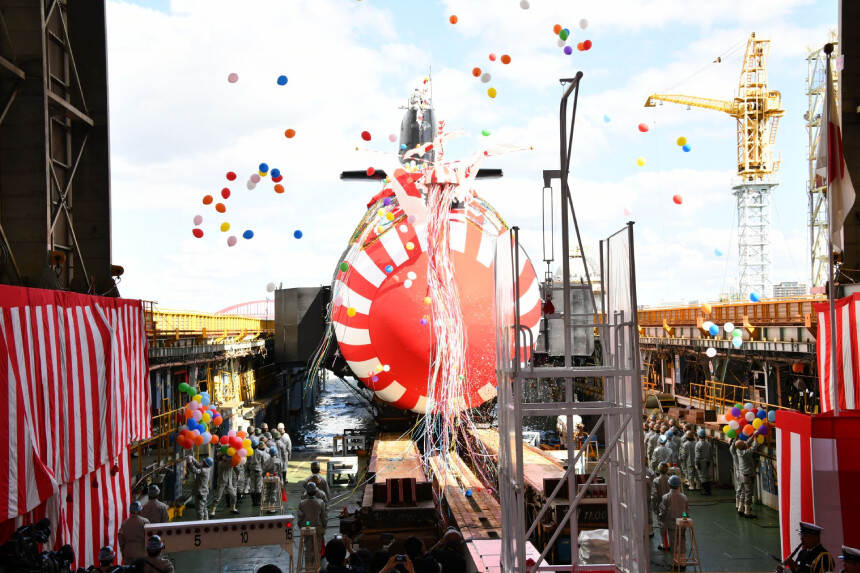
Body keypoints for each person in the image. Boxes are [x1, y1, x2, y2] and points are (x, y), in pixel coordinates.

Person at [658, 475, 689, 555]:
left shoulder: (665, 497)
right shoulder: (684, 497)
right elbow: (685, 511)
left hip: (671, 524)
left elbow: (663, 511)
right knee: (682, 540)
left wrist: (661, 519)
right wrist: (684, 517)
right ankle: (682, 558)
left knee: (673, 542)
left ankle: (675, 559)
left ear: (669, 485)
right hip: (682, 523)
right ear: (679, 485)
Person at [298, 482, 327, 560]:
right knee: (317, 548)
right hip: (318, 528)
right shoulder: (321, 502)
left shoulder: (302, 503)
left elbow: (300, 518)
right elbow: (323, 517)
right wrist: (324, 527)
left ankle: (308, 563)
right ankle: (317, 563)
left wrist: (301, 527)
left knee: (308, 547)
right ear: (315, 491)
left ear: (307, 492)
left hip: (306, 528)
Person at [735, 439, 760, 518]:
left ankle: (740, 508)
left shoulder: (738, 450)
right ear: (743, 446)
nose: (745, 443)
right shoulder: (746, 453)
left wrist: (753, 436)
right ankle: (747, 511)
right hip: (748, 475)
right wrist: (755, 439)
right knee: (748, 493)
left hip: (741, 474)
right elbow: (754, 447)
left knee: (743, 491)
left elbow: (746, 443)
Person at [185, 456, 213, 520]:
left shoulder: (204, 470)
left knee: (199, 509)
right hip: (204, 492)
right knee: (204, 507)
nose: (202, 462)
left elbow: (194, 470)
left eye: (204, 462)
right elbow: (198, 464)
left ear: (206, 464)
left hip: (200, 493)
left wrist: (189, 463)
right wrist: (192, 458)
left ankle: (200, 522)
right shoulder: (207, 468)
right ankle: (206, 521)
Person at [651, 463, 671, 548]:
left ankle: (665, 544)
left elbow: (654, 495)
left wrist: (654, 507)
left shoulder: (656, 481)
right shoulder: (670, 479)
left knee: (662, 525)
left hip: (660, 506)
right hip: (670, 505)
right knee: (670, 525)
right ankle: (671, 543)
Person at [694, 429, 713, 495]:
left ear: (698, 436)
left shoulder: (698, 444)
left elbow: (697, 455)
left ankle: (706, 491)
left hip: (701, 462)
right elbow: (711, 453)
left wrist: (696, 463)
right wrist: (709, 461)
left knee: (702, 477)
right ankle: (708, 490)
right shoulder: (708, 443)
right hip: (708, 461)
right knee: (707, 476)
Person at [249, 442, 267, 506]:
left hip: (252, 470)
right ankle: (258, 501)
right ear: (257, 446)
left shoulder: (249, 453)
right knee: (258, 486)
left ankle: (254, 502)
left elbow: (247, 462)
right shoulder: (261, 453)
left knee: (252, 486)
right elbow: (263, 462)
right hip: (259, 470)